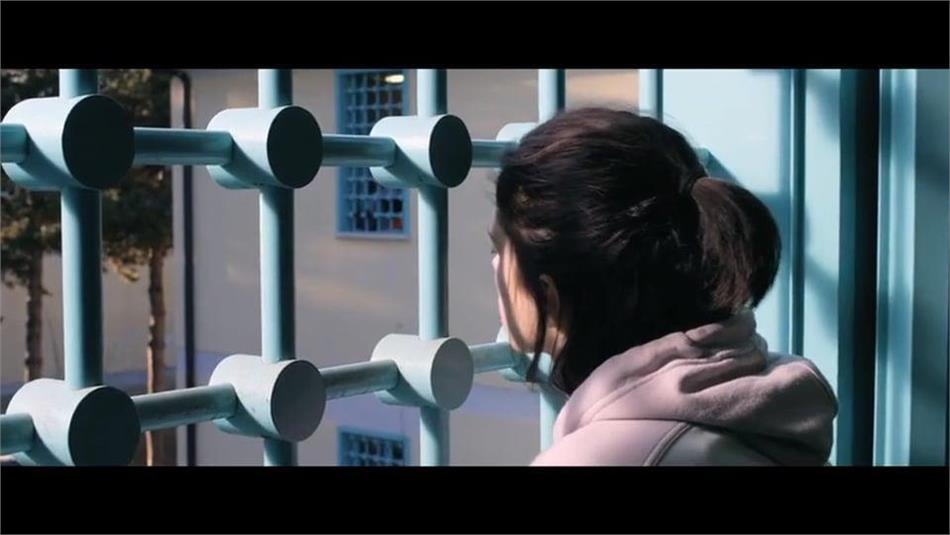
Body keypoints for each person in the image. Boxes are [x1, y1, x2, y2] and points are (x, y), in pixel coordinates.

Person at [489, 107, 838, 466]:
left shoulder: (599, 458)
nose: (495, 265)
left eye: (498, 248)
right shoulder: (764, 419)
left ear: (550, 290)